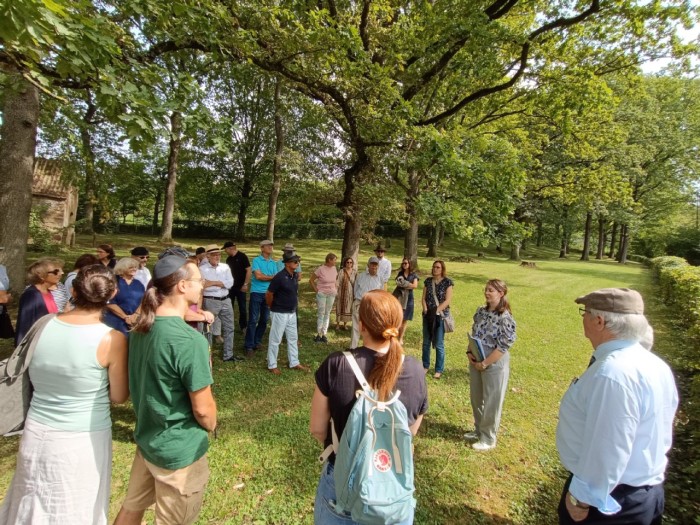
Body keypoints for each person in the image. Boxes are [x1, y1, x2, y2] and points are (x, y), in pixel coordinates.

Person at [0, 264, 128, 524]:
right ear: (111, 294)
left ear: (72, 289)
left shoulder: (43, 324)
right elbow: (119, 395)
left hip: (37, 428)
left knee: (30, 496)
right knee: (76, 504)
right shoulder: (112, 339)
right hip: (83, 435)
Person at [556, 288, 678, 525]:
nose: (583, 318)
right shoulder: (654, 364)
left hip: (608, 503)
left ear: (599, 321)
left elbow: (608, 447)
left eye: (585, 312)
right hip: (640, 494)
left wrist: (581, 500)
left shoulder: (612, 374)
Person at [113, 255, 216, 525]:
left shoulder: (140, 327)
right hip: (177, 451)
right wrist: (212, 424)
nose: (202, 285)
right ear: (182, 286)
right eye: (198, 280)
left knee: (130, 509)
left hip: (148, 440)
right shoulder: (188, 340)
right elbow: (203, 409)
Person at [310, 290, 429, 525]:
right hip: (392, 487)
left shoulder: (336, 364)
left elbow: (317, 429)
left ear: (361, 325)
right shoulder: (416, 370)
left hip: (342, 483)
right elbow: (410, 431)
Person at [464, 279, 516, 451]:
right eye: (486, 289)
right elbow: (474, 332)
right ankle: (479, 430)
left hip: (494, 364)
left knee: (492, 402)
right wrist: (470, 353)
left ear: (501, 294)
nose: (487, 293)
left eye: (491, 291)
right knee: (476, 398)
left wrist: (485, 363)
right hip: (477, 360)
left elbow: (503, 345)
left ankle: (488, 438)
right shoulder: (481, 311)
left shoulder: (505, 317)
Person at [265, 251, 310, 375]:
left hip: (291, 312)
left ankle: (294, 362)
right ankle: (272, 364)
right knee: (276, 339)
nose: (297, 263)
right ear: (287, 263)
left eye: (298, 261)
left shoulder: (294, 276)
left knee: (293, 338)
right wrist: (272, 307)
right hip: (279, 312)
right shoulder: (279, 277)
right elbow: (269, 294)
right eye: (295, 261)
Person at [200, 244, 239, 361]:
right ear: (207, 256)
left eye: (219, 254)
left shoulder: (225, 267)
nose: (217, 257)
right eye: (214, 255)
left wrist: (212, 282)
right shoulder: (202, 269)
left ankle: (228, 355)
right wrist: (221, 283)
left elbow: (230, 283)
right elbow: (203, 286)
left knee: (229, 327)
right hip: (210, 301)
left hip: (226, 300)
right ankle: (207, 356)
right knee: (207, 329)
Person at [15, 258, 64, 345]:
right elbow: (25, 325)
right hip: (37, 344)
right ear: (41, 276)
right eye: (55, 271)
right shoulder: (31, 295)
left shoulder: (47, 292)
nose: (61, 273)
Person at [421, 260, 453, 379]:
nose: (435, 269)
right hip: (428, 315)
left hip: (440, 316)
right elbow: (423, 298)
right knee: (426, 342)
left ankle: (439, 369)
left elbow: (448, 300)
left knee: (439, 343)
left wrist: (437, 311)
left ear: (442, 269)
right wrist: (425, 309)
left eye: (438, 267)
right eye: (434, 267)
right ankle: (425, 365)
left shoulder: (447, 282)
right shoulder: (428, 281)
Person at [245, 239, 278, 357]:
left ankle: (256, 341)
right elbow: (258, 276)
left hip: (269, 294)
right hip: (257, 293)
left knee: (264, 319)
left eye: (271, 246)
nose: (270, 247)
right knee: (253, 319)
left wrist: (268, 277)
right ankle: (249, 346)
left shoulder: (273, 263)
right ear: (262, 248)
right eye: (268, 246)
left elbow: (276, 278)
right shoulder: (256, 260)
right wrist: (271, 277)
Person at [103, 258, 146, 335]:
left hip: (135, 321)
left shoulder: (138, 284)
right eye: (131, 267)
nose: (134, 269)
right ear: (122, 268)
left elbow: (144, 300)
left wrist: (136, 315)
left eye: (135, 267)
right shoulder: (114, 282)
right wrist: (125, 317)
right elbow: (110, 302)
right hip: (115, 320)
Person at [350, 257, 383, 349]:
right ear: (368, 265)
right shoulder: (361, 276)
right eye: (372, 264)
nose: (373, 267)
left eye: (375, 265)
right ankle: (353, 348)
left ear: (378, 266)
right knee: (356, 326)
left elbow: (381, 293)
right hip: (359, 303)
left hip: (372, 305)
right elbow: (355, 290)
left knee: (370, 327)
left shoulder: (380, 278)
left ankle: (368, 347)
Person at [224, 241, 251, 334]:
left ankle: (243, 326)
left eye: (225, 249)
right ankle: (229, 326)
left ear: (230, 248)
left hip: (241, 287)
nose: (225, 251)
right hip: (231, 288)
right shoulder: (228, 260)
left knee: (242, 308)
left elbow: (248, 270)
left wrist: (245, 284)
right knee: (229, 307)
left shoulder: (242, 256)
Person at [310, 253, 338, 343]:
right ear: (329, 260)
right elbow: (311, 280)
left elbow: (335, 280)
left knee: (327, 313)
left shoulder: (334, 268)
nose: (335, 262)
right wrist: (316, 290)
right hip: (322, 294)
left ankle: (324, 334)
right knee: (321, 313)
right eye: (334, 260)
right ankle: (318, 334)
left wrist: (335, 289)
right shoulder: (320, 269)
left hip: (331, 294)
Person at [394, 258, 419, 345]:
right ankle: (394, 337)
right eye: (403, 263)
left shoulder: (414, 275)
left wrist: (405, 284)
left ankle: (400, 338)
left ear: (409, 264)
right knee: (398, 318)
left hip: (409, 299)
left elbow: (415, 286)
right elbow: (397, 283)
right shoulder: (400, 273)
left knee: (405, 320)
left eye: (406, 263)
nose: (404, 265)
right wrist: (409, 285)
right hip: (399, 297)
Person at [334, 257, 356, 331]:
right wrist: (336, 291)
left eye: (351, 262)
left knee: (347, 308)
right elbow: (337, 281)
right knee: (339, 307)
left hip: (350, 294)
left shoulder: (355, 272)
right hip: (341, 292)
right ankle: (337, 325)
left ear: (352, 264)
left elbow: (356, 283)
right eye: (347, 262)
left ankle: (345, 324)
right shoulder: (341, 271)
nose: (349, 264)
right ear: (345, 263)